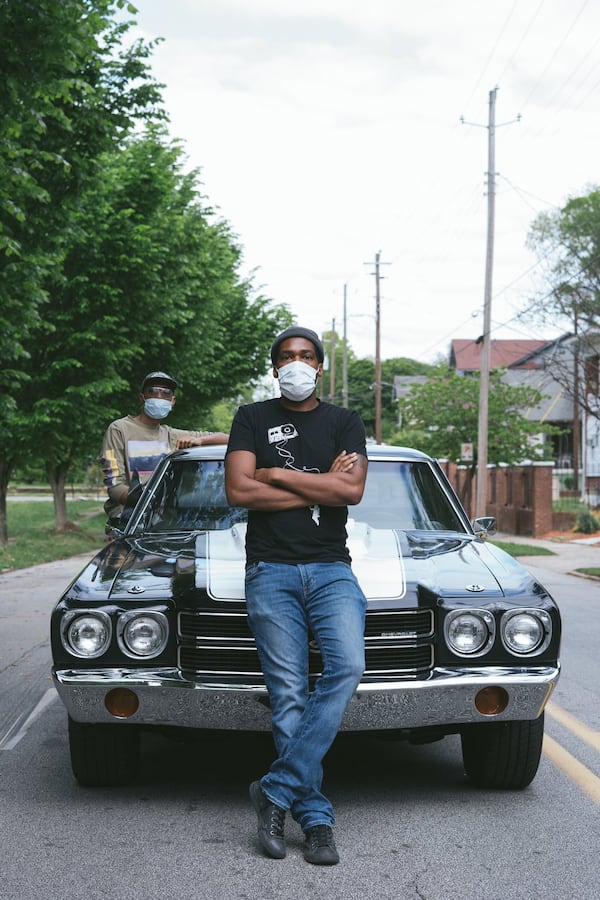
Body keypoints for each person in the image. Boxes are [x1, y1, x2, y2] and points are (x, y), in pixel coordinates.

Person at [224, 326, 368, 866]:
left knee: (347, 666)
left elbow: (350, 490)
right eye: (286, 357)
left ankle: (275, 789)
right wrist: (315, 482)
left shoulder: (344, 422)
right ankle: (316, 818)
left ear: (321, 366)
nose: (296, 363)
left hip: (331, 568)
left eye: (306, 356)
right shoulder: (251, 417)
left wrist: (275, 473)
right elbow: (239, 491)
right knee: (287, 693)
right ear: (274, 368)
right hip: (271, 569)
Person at [101, 370, 228, 527]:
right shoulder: (119, 429)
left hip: (162, 523)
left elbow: (227, 439)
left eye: (166, 393)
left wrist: (199, 441)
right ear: (142, 397)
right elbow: (115, 487)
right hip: (128, 523)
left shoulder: (171, 435)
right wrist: (150, 502)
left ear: (172, 401)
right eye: (153, 391)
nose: (159, 397)